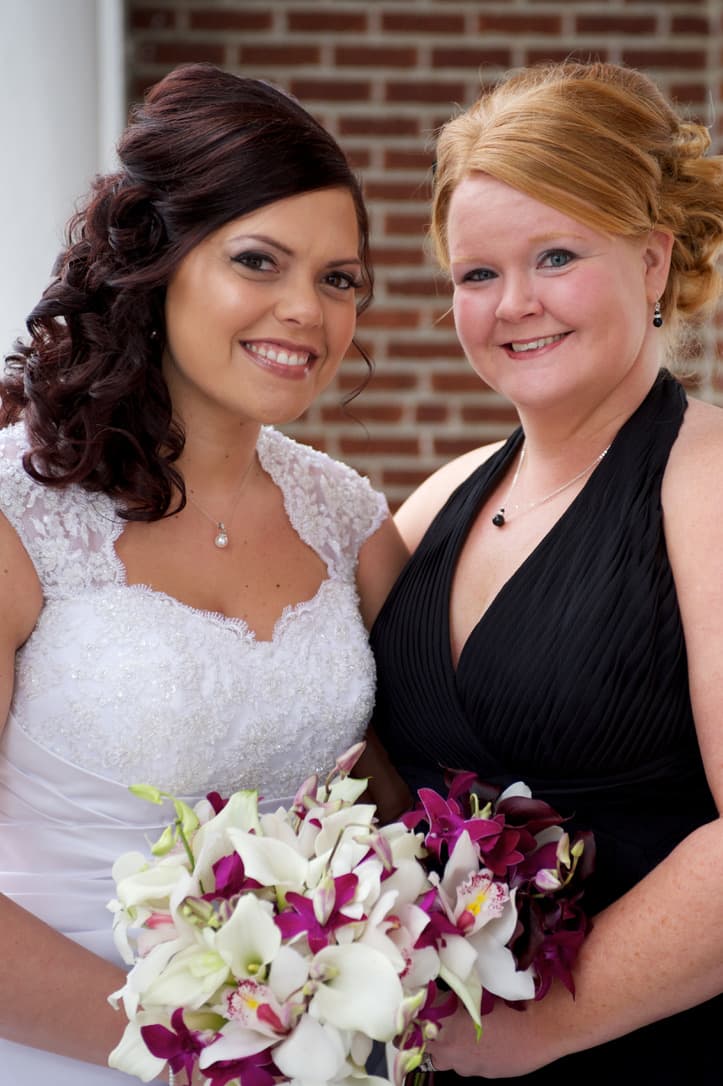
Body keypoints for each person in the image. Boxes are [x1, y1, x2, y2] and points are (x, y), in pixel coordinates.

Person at [0, 62, 408, 1083]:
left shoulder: (353, 525)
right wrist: (211, 1052)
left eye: (338, 279)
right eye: (259, 262)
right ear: (157, 260)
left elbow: (411, 802)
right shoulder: (20, 514)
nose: (306, 314)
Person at [369, 61, 723, 1083]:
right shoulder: (437, 502)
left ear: (652, 262)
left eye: (556, 255)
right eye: (478, 274)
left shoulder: (703, 484)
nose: (513, 303)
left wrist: (535, 1033)